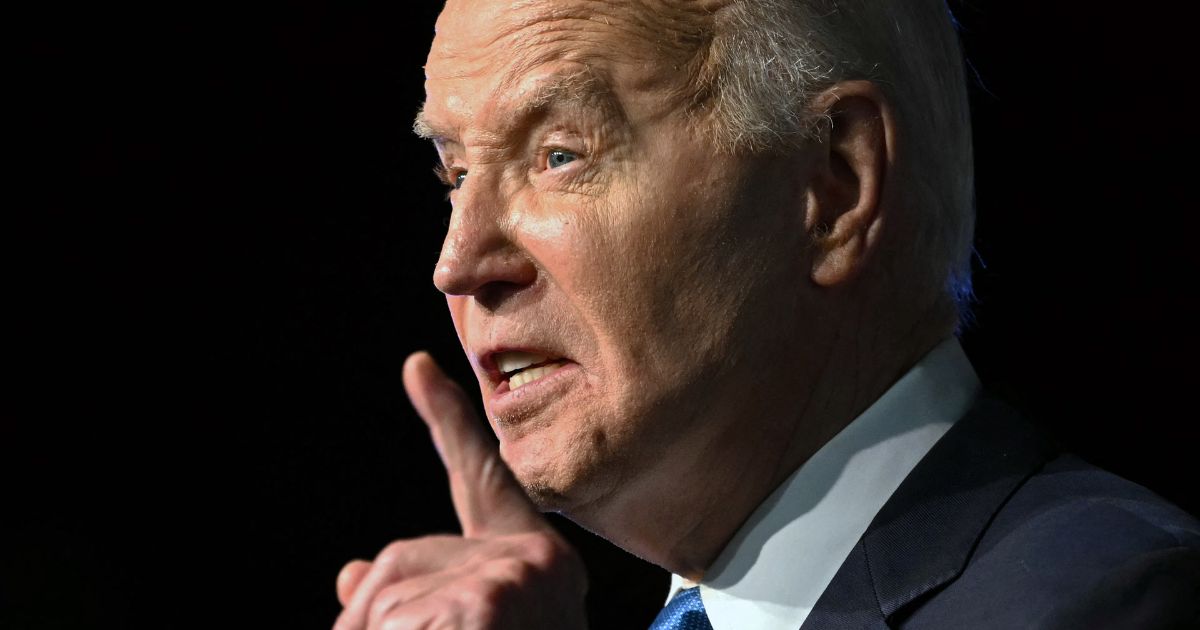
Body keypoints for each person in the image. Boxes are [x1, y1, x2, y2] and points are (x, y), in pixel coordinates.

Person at [332, 0, 1200, 628]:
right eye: (454, 176)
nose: (458, 264)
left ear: (835, 182)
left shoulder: (1103, 599)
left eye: (561, 155)